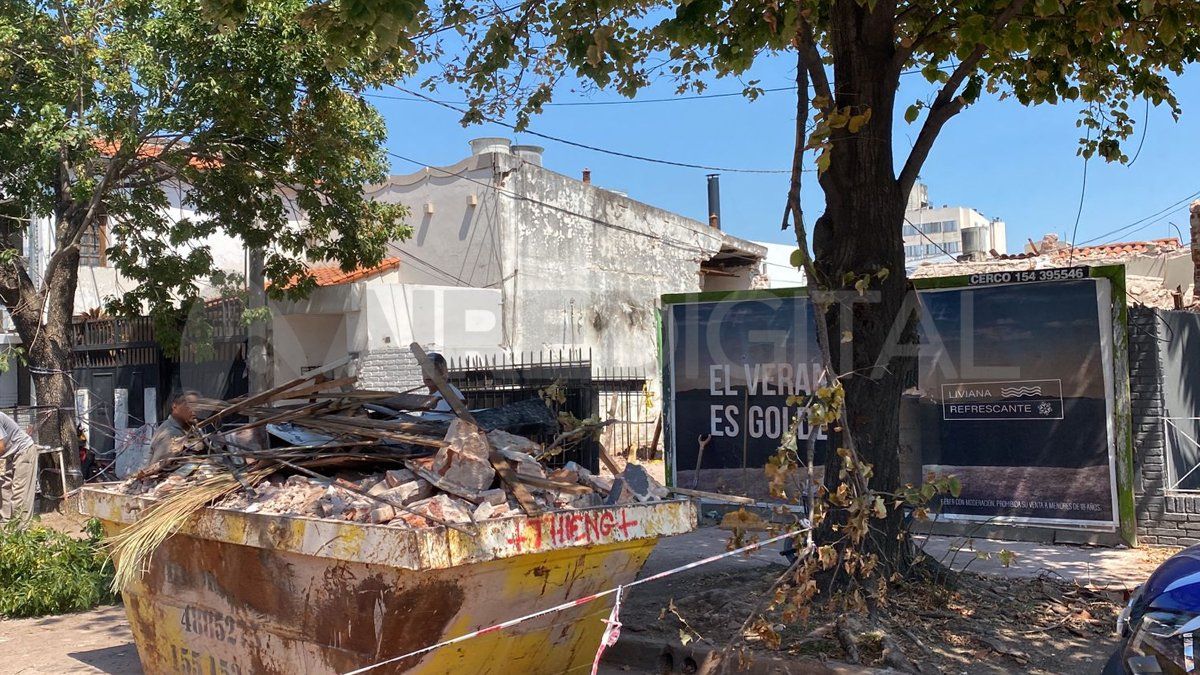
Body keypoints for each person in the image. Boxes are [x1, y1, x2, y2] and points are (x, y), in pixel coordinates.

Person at [0, 411, 37, 526]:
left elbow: (0, 447)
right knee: (4, 488)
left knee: (20, 491)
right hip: (8, 454)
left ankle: (21, 528)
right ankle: (5, 525)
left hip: (23, 450)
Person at [149, 391, 199, 465]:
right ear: (174, 406)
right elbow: (159, 467)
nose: (195, 410)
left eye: (197, 406)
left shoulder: (191, 429)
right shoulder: (169, 434)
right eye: (189, 405)